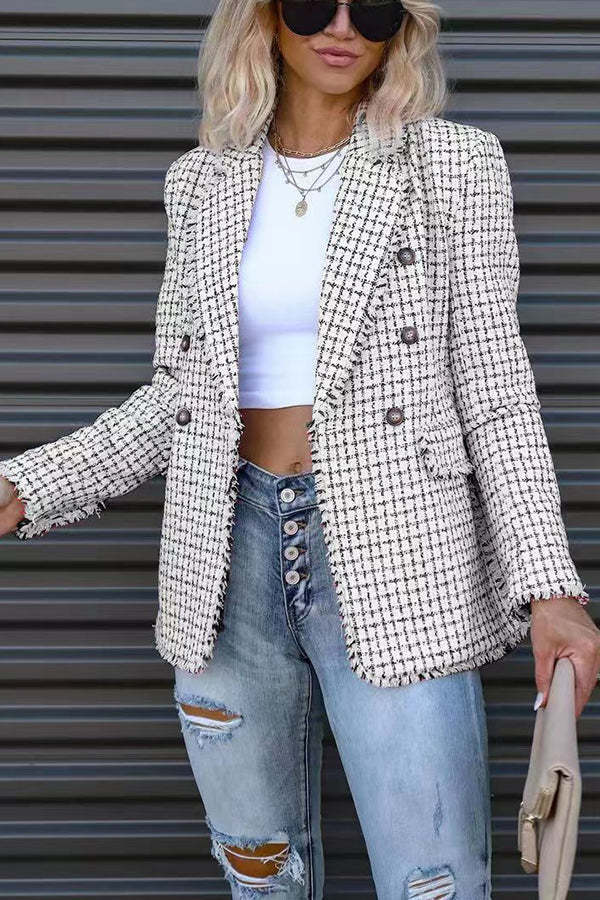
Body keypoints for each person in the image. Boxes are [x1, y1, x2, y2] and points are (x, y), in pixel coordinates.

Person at [1, 1, 598, 897]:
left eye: (374, 6)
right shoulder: (201, 181)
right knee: (262, 876)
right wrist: (24, 486)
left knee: (433, 882)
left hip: (398, 550)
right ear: (265, 16)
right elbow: (180, 398)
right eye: (315, 0)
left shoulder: (454, 165)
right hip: (224, 556)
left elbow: (494, 385)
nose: (343, 26)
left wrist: (551, 589)